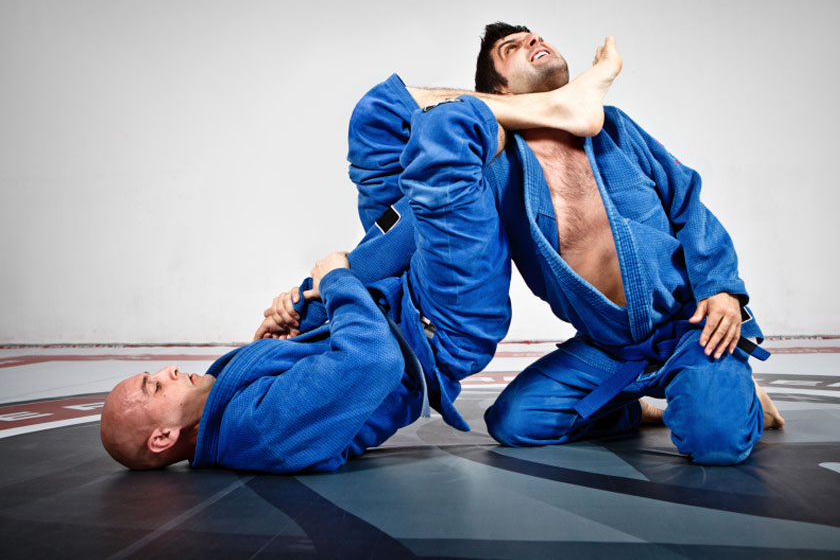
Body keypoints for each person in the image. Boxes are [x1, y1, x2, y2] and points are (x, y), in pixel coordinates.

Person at [99, 46, 623, 472]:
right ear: (163, 437)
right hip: (440, 320)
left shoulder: (222, 401)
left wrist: (294, 320)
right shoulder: (260, 432)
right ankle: (559, 107)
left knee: (378, 114)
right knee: (451, 143)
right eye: (155, 386)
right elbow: (375, 361)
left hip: (389, 288)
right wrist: (336, 282)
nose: (168, 370)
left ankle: (549, 107)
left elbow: (319, 355)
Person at [348, 23, 784, 466]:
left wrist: (721, 286)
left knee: (716, 444)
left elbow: (687, 201)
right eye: (511, 48)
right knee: (514, 423)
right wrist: (341, 274)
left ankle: (735, 393)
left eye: (535, 37)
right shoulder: (494, 166)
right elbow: (417, 220)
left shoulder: (614, 128)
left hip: (691, 324)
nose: (534, 41)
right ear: (500, 91)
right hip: (611, 349)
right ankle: (634, 408)